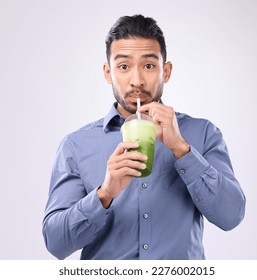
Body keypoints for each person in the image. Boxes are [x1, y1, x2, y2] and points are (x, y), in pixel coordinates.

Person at [42, 14, 246, 260]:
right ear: (108, 73)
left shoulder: (202, 134)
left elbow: (231, 216)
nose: (137, 81)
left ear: (166, 71)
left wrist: (182, 150)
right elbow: (55, 243)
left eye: (149, 66)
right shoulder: (75, 145)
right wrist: (104, 194)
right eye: (124, 66)